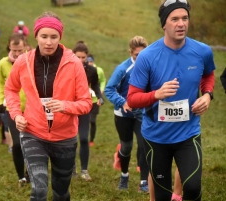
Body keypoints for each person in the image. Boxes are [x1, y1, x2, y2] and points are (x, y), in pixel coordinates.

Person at [127, 1, 215, 200]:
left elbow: (209, 75)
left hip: (188, 133)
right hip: (156, 138)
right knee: (162, 194)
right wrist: (156, 95)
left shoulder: (202, 51)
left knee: (192, 187)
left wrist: (208, 95)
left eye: (184, 18)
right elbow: (132, 99)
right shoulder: (147, 57)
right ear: (164, 24)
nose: (181, 24)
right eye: (174, 19)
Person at [4, 11, 92, 200]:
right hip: (33, 133)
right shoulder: (23, 62)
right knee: (39, 189)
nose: (48, 42)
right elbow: (10, 89)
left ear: (60, 37)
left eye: (54, 37)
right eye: (44, 36)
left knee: (61, 193)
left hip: (65, 137)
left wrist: (65, 106)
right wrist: (16, 114)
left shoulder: (74, 63)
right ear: (36, 36)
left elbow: (86, 103)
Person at [104, 36, 149, 191]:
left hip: (142, 113)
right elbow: (109, 89)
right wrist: (123, 102)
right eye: (137, 55)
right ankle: (124, 175)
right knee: (127, 146)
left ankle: (144, 181)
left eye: (143, 54)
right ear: (131, 53)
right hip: (123, 114)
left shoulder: (150, 67)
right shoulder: (123, 69)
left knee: (144, 145)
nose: (140, 58)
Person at [0, 33, 28, 187]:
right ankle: (21, 176)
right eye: (14, 50)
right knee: (17, 144)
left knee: (31, 143)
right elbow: (0, 82)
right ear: (9, 47)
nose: (16, 53)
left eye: (20, 50)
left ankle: (31, 171)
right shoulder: (3, 63)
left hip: (31, 109)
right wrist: (0, 101)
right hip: (12, 109)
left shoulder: (32, 60)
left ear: (25, 47)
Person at [72, 41, 104, 181]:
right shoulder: (67, 68)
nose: (80, 60)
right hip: (69, 108)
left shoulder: (92, 70)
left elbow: (96, 85)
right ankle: (71, 168)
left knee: (84, 139)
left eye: (83, 58)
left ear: (87, 57)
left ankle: (84, 170)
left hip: (84, 107)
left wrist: (100, 97)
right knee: (70, 140)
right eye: (77, 57)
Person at [86, 54, 106, 147]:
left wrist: (101, 90)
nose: (89, 63)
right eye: (88, 61)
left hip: (94, 100)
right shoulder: (83, 69)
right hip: (85, 100)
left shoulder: (98, 70)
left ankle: (91, 140)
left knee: (92, 121)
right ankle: (83, 139)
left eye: (91, 61)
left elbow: (102, 80)